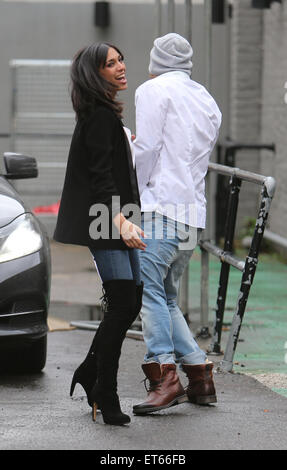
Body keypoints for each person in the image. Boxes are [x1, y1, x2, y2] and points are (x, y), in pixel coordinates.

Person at [53, 42, 146, 425]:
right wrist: (121, 222)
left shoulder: (104, 114)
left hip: (116, 216)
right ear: (96, 74)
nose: (121, 66)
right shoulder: (98, 117)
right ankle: (105, 392)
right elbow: (100, 177)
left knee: (130, 301)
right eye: (111, 64)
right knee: (124, 303)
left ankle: (91, 372)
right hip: (106, 220)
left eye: (121, 59)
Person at [132, 33, 222, 415]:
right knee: (167, 297)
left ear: (155, 61)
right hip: (192, 214)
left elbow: (148, 148)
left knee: (148, 293)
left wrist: (129, 193)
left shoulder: (152, 91)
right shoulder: (207, 99)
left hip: (160, 209)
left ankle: (165, 379)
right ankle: (200, 376)